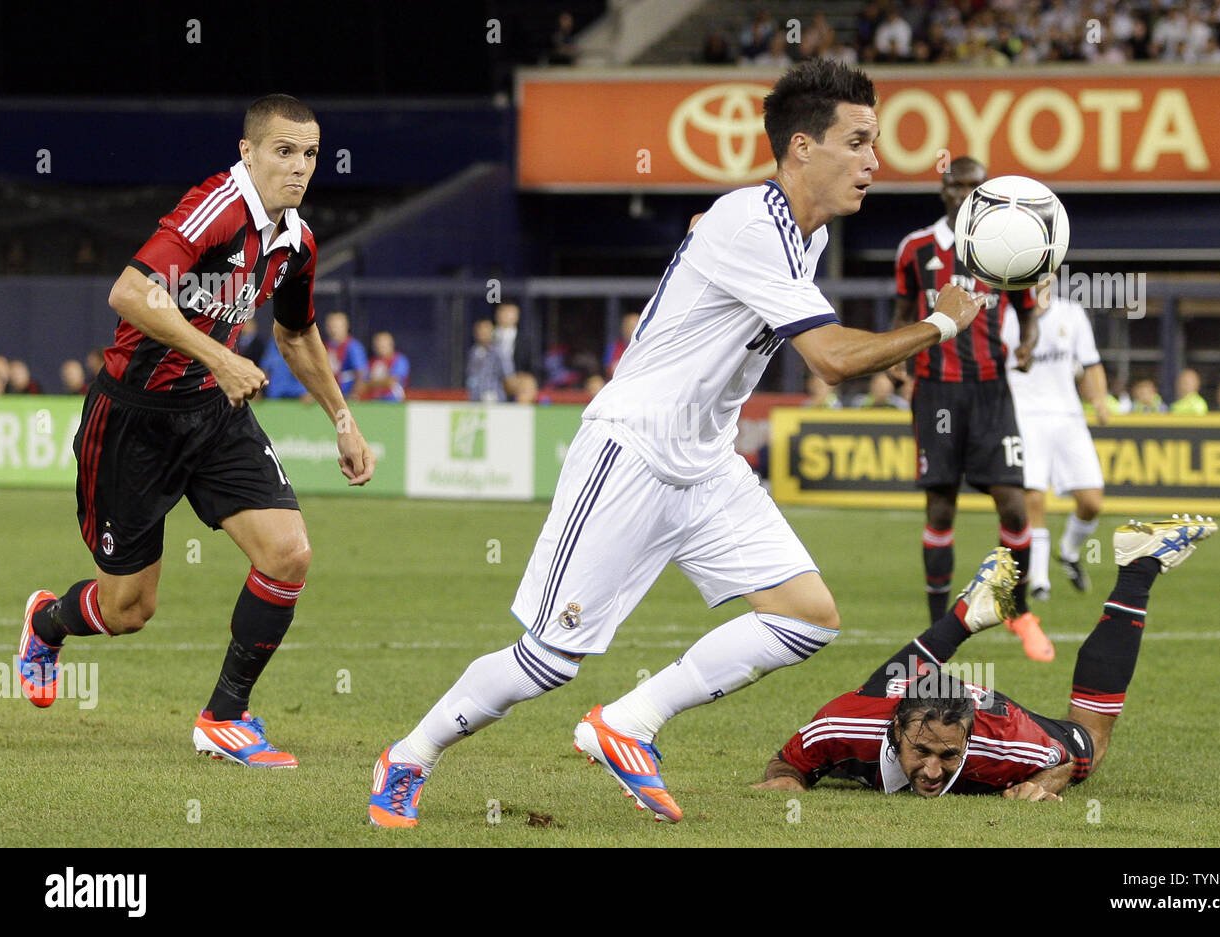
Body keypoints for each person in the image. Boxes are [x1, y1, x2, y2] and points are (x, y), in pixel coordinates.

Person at [369, 60, 989, 828]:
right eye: (857, 141)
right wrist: (944, 320)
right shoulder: (751, 223)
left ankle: (627, 722)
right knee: (546, 661)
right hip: (632, 451)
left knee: (807, 615)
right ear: (801, 148)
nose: (875, 160)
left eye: (877, 141)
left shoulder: (802, 236)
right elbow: (828, 357)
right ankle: (408, 754)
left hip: (705, 464)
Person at [16, 95, 376, 770]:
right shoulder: (216, 210)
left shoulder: (296, 242)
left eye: (310, 155)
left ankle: (225, 716)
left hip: (213, 411)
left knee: (288, 552)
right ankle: (46, 622)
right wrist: (219, 354)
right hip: (132, 420)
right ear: (248, 153)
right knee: (128, 609)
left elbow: (295, 333)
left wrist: (342, 416)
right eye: (283, 152)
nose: (299, 169)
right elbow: (128, 291)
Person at [756, 515, 1217, 799]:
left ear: (969, 741)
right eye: (921, 751)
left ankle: (1138, 568)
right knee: (882, 685)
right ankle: (963, 615)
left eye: (948, 754)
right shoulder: (840, 726)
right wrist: (788, 780)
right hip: (893, 699)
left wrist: (1045, 782)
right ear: (895, 730)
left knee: (1092, 743)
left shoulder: (1006, 744)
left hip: (992, 712)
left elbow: (1067, 759)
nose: (932, 772)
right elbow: (785, 762)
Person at [891, 155, 1047, 661]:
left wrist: (1027, 344)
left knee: (1014, 503)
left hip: (990, 390)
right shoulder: (915, 248)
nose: (965, 193)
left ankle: (1019, 612)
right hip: (936, 390)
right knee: (940, 506)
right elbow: (902, 311)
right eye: (957, 185)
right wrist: (898, 359)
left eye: (976, 186)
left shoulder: (1009, 247)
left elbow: (1027, 314)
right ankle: (938, 630)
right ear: (944, 189)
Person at [1001, 293, 1108, 600]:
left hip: (1068, 416)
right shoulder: (1007, 315)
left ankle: (1069, 550)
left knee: (1092, 501)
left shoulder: (1071, 313)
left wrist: (1099, 400)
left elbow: (1091, 363)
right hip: (1025, 413)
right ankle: (1039, 580)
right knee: (1034, 497)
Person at [324, 311, 367, 398]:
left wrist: (354, 394)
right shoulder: (325, 346)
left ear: (346, 327)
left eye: (337, 326)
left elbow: (361, 373)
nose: (333, 330)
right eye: (331, 326)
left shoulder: (353, 346)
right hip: (330, 397)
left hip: (346, 395)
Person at [465, 317, 506, 402]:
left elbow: (506, 376)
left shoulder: (499, 352)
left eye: (486, 330)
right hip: (475, 397)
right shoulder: (473, 352)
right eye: (480, 330)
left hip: (494, 397)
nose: (483, 333)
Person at [363, 330, 410, 402]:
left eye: (383, 345)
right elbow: (363, 384)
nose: (379, 348)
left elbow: (392, 381)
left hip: (393, 401)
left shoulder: (399, 360)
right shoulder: (372, 362)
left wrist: (371, 383)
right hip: (373, 400)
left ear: (391, 345)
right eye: (377, 345)